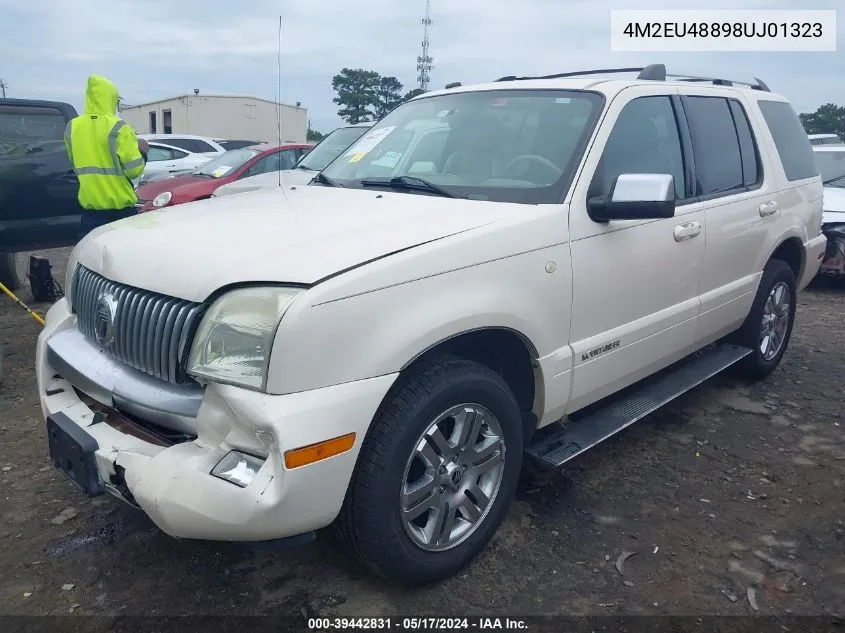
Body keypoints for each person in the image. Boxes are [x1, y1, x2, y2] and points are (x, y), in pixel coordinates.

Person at [64, 74, 148, 239]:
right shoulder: (119, 127)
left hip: (91, 213)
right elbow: (134, 170)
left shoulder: (72, 127)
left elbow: (75, 164)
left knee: (94, 258)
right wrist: (143, 151)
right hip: (120, 212)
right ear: (110, 99)